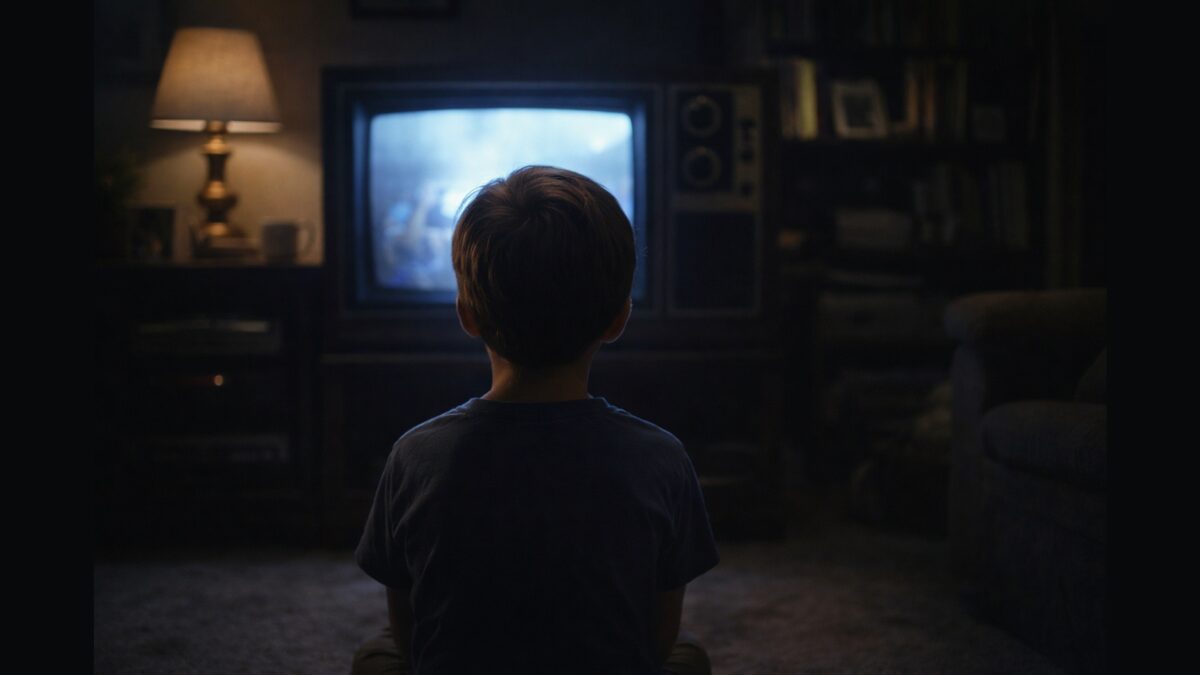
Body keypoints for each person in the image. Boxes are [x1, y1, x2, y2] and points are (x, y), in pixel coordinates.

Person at [351, 165, 719, 675]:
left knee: (378, 654)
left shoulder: (415, 456)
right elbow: (655, 641)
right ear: (619, 317)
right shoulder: (662, 458)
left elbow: (412, 634)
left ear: (466, 313)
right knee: (689, 654)